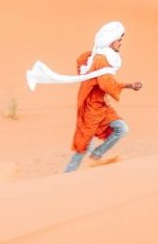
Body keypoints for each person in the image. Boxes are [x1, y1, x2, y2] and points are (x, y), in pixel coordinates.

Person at [25, 21, 143, 172]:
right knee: (83, 145)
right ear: (111, 41)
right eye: (119, 40)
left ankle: (96, 154)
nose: (121, 43)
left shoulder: (101, 57)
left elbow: (85, 64)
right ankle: (67, 175)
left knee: (122, 128)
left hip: (101, 106)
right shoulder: (101, 60)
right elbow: (106, 84)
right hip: (91, 108)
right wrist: (130, 86)